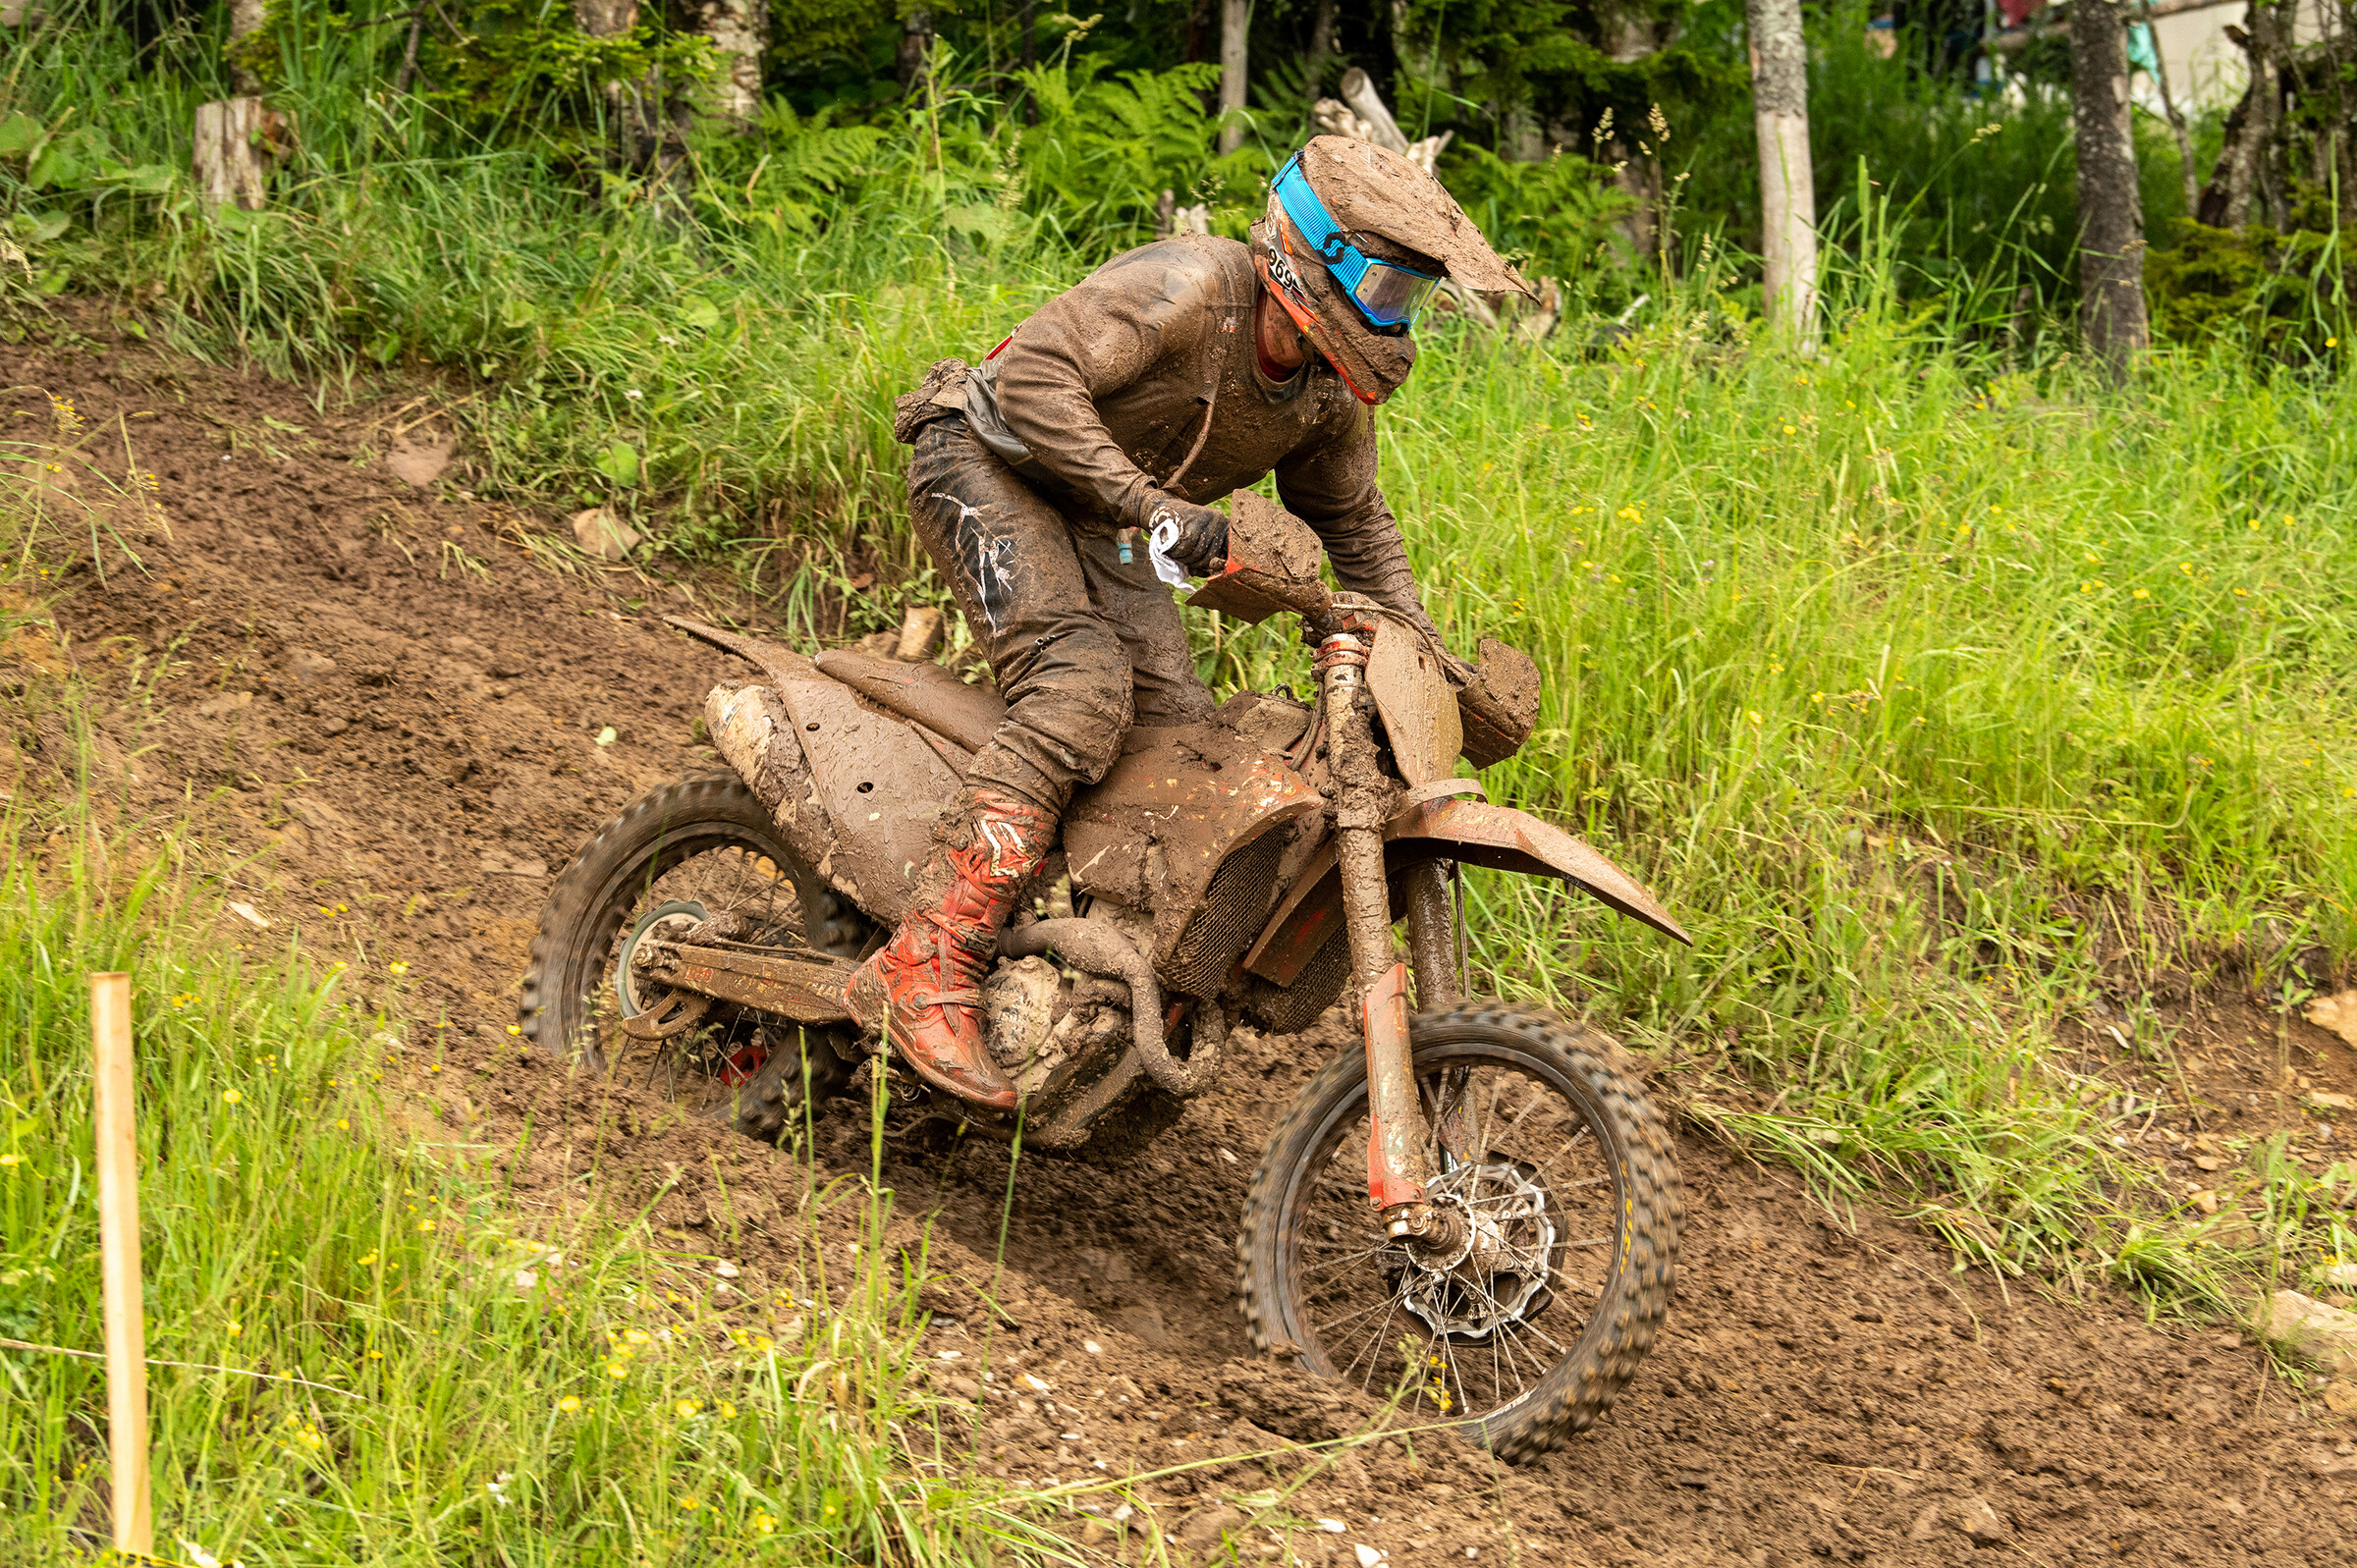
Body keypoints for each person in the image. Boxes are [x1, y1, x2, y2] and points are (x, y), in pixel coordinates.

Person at [850, 135, 1530, 1109]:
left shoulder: (1324, 392)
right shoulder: (1190, 289)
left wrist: (1420, 649)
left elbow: (1354, 523)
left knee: (1182, 750)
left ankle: (1071, 973)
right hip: (984, 459)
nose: (1394, 317)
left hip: (1108, 520)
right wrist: (1152, 506)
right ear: (1317, 254)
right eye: (1385, 288)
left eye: (1409, 299)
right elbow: (1032, 379)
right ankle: (925, 960)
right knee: (1080, 687)